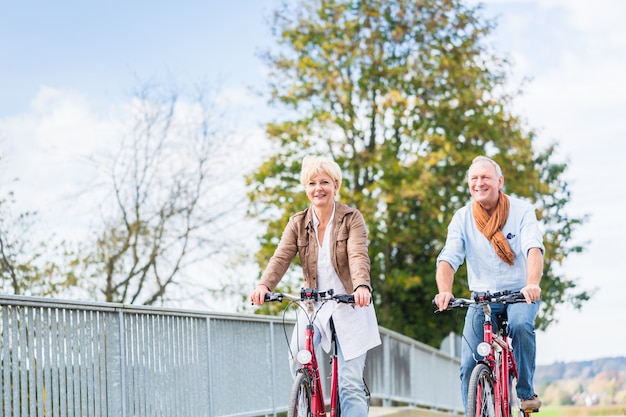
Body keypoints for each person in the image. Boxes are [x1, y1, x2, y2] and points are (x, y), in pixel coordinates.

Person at [249, 154, 381, 416]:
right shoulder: (297, 223)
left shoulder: (351, 218)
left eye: (324, 182)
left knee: (350, 384)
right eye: (311, 183)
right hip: (314, 305)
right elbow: (281, 256)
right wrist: (264, 285)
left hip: (350, 303)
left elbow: (357, 255)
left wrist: (361, 287)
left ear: (335, 185)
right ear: (305, 188)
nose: (318, 188)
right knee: (298, 356)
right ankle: (307, 404)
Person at [433, 155, 544, 414]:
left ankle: (526, 391)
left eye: (485, 177)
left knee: (520, 325)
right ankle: (475, 409)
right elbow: (448, 258)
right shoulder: (462, 218)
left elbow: (533, 249)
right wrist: (445, 291)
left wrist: (532, 283)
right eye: (474, 178)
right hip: (482, 298)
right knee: (469, 365)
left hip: (520, 293)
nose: (479, 183)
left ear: (499, 181)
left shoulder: (522, 211)